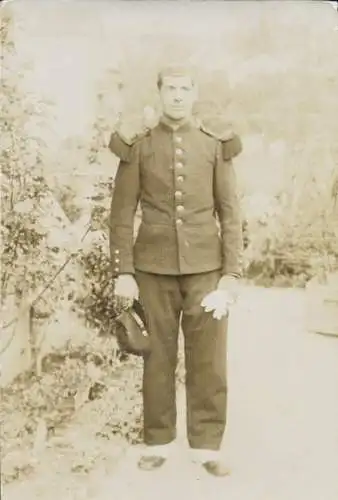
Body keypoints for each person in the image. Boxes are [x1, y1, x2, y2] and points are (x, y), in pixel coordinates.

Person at [108, 64, 243, 477]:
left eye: (186, 89)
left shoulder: (215, 145)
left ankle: (207, 447)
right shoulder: (140, 146)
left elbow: (231, 212)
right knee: (158, 358)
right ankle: (159, 441)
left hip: (206, 269)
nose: (178, 96)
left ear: (195, 92)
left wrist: (231, 274)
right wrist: (124, 271)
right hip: (152, 269)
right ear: (160, 93)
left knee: (209, 360)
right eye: (171, 89)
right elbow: (121, 213)